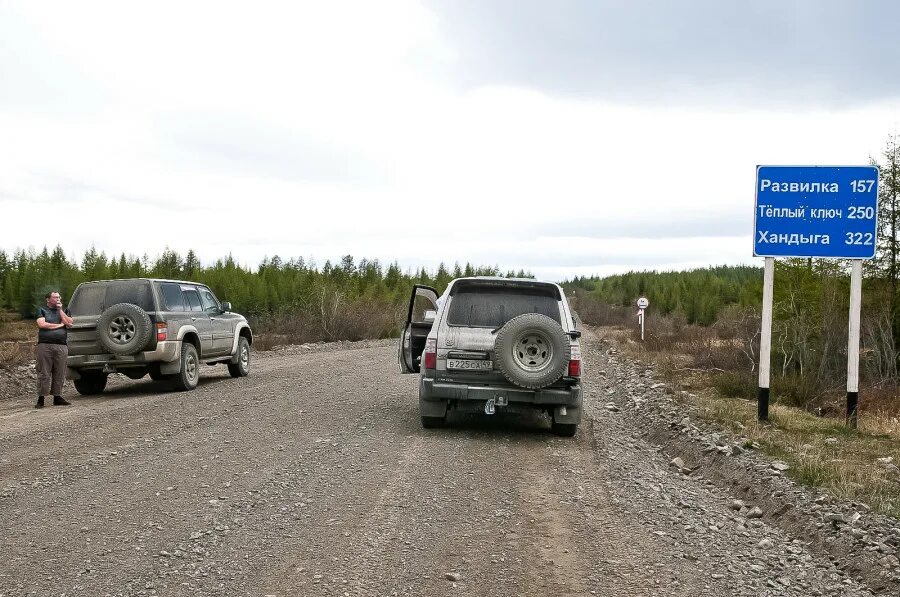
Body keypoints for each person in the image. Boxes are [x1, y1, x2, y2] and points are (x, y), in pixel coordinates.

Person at [35, 291, 73, 408]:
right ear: (48, 299)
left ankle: (57, 397)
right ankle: (41, 398)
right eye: (55, 297)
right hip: (45, 345)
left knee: (60, 372)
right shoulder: (41, 310)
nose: (58, 299)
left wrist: (60, 310)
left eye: (59, 297)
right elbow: (42, 325)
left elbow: (69, 323)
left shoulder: (65, 310)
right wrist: (60, 325)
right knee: (44, 372)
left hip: (61, 345)